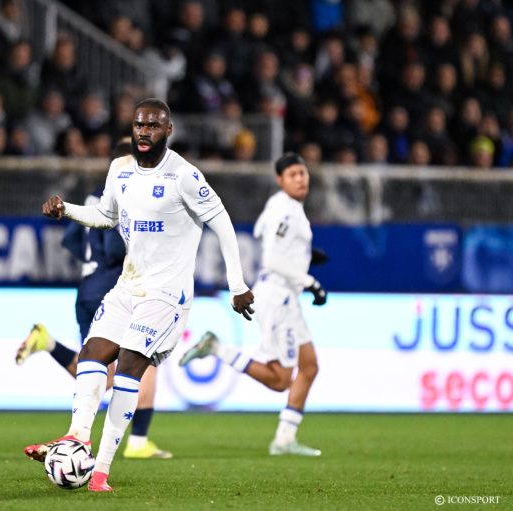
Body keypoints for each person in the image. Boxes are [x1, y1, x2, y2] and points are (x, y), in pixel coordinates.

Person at [24, 98, 255, 492]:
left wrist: (238, 285)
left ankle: (100, 473)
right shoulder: (120, 169)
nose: (144, 132)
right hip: (128, 285)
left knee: (129, 366)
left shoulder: (184, 176)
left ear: (168, 130)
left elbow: (223, 223)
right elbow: (106, 217)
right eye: (139, 125)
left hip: (166, 295)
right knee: (93, 353)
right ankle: (77, 438)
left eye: (153, 126)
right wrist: (68, 210)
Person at [16, 137, 172, 460]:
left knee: (93, 366)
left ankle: (48, 344)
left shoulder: (94, 195)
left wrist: (94, 263)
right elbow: (116, 246)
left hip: (87, 287)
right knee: (142, 361)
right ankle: (138, 441)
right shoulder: (129, 193)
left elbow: (72, 241)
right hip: (116, 288)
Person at [179, 152, 326, 457]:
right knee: (281, 379)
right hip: (278, 298)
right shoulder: (286, 210)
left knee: (309, 366)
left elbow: (268, 236)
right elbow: (272, 258)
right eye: (293, 175)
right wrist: (310, 280)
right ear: (280, 180)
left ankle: (285, 439)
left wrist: (305, 255)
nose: (300, 179)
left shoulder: (280, 206)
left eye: (303, 173)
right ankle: (217, 349)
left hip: (286, 297)